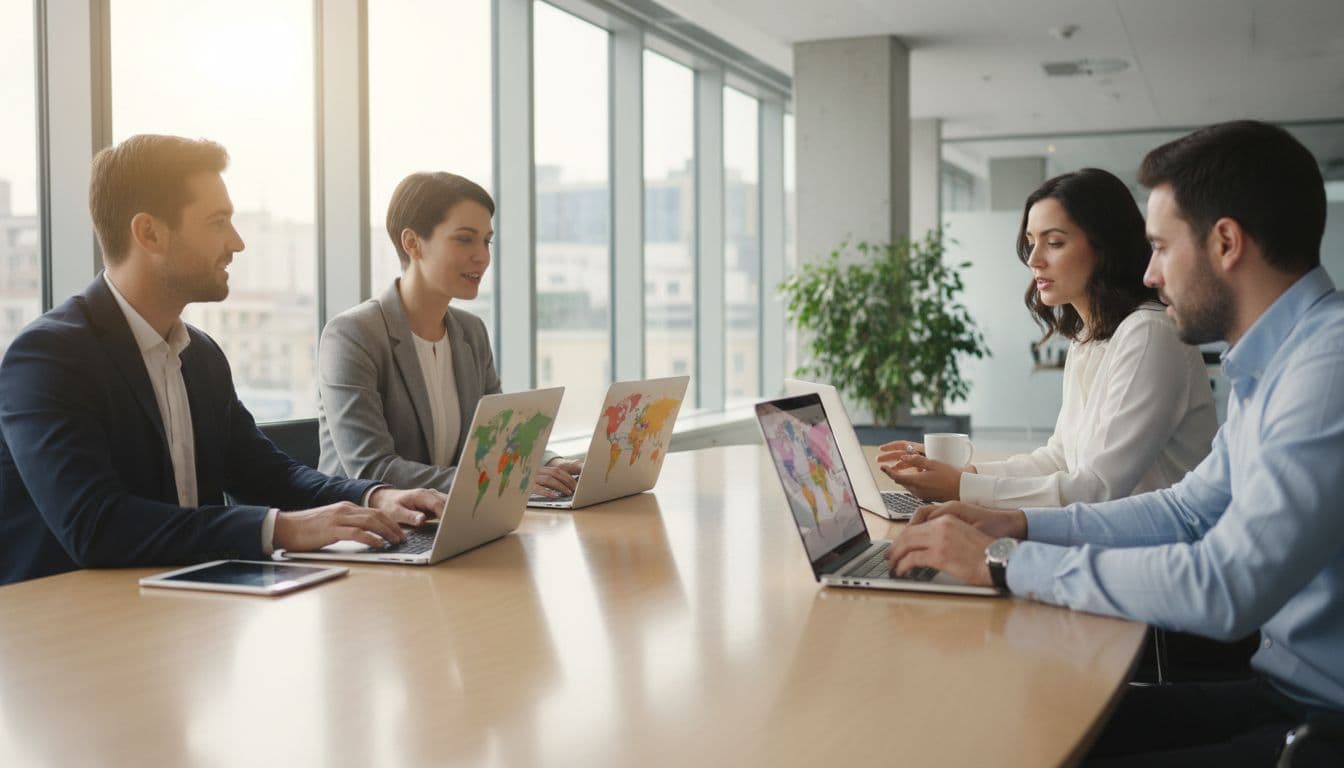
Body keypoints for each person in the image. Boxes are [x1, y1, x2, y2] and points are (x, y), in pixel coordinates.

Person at [885, 121, 1344, 766]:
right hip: (1277, 691)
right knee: (1014, 717)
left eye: (1160, 246)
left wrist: (1004, 561)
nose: (1150, 273)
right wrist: (1014, 522)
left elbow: (1227, 584)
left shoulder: (1327, 369)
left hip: (1318, 726)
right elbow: (1185, 511)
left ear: (1226, 243)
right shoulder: (1274, 363)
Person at [0, 135, 446, 586]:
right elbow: (95, 524)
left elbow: (268, 474)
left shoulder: (201, 355)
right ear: (149, 232)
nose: (237, 243)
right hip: (73, 626)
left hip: (187, 609)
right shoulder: (48, 358)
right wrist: (283, 529)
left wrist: (376, 497)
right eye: (218, 223)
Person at [878, 168, 1217, 509]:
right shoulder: (1088, 337)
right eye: (1030, 242)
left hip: (1157, 551)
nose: (1034, 259)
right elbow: (1059, 459)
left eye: (1054, 242)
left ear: (1105, 246)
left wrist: (962, 486)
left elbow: (1098, 488)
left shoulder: (1149, 333)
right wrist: (961, 473)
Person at [317, 171, 583, 497]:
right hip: (370, 532)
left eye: (487, 241)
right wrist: (502, 479)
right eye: (465, 239)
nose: (482, 256)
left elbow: (499, 437)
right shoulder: (353, 336)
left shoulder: (471, 333)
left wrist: (551, 463)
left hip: (451, 522)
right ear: (412, 243)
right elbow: (373, 468)